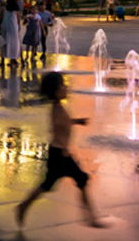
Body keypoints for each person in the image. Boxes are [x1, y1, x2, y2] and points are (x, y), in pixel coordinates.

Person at [14, 73, 107, 229]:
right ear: (56, 91)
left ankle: (23, 206)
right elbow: (57, 126)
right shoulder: (57, 109)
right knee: (81, 180)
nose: (66, 88)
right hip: (60, 153)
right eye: (62, 86)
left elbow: (63, 122)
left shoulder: (58, 107)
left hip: (58, 153)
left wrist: (77, 121)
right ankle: (91, 218)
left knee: (48, 185)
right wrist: (65, 149)